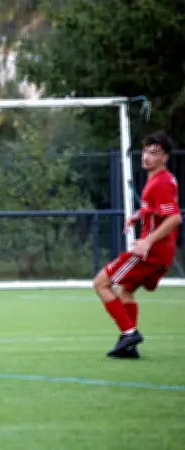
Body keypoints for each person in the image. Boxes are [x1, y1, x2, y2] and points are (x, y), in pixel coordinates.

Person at [92, 131, 181, 359]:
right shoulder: (163, 179)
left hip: (151, 252)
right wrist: (139, 215)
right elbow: (158, 209)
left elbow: (174, 218)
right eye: (146, 152)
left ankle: (129, 333)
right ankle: (128, 346)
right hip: (162, 253)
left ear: (165, 157)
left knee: (101, 283)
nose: (147, 157)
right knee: (126, 290)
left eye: (154, 153)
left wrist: (147, 241)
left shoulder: (161, 183)